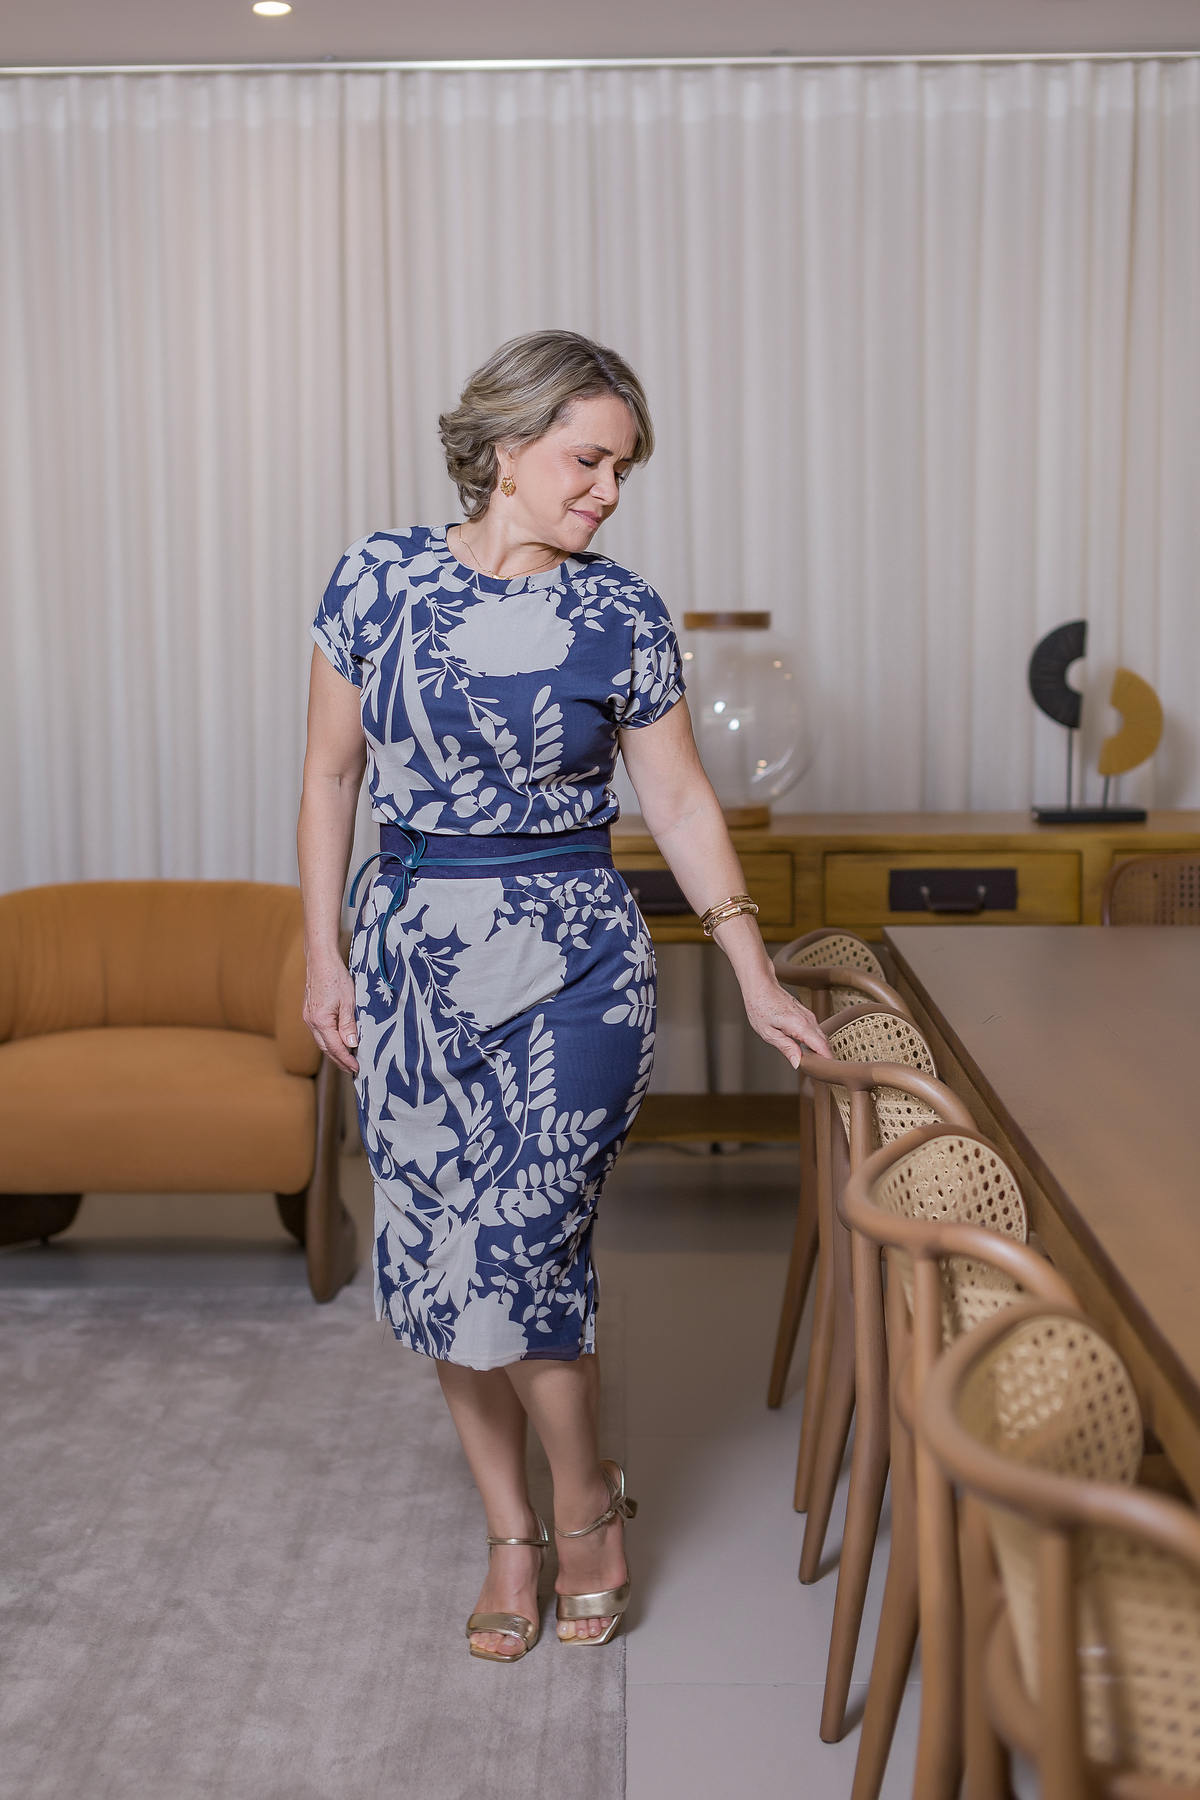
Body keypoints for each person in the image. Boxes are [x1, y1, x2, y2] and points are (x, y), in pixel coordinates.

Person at [298, 330, 830, 1663]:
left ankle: (585, 1501)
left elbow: (680, 802)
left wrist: (752, 968)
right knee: (436, 1251)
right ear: (504, 445)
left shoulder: (622, 614)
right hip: (412, 959)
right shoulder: (376, 580)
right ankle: (510, 1532)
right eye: (588, 460)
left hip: (576, 963)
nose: (608, 490)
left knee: (524, 1247)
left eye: (623, 469)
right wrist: (324, 956)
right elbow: (329, 779)